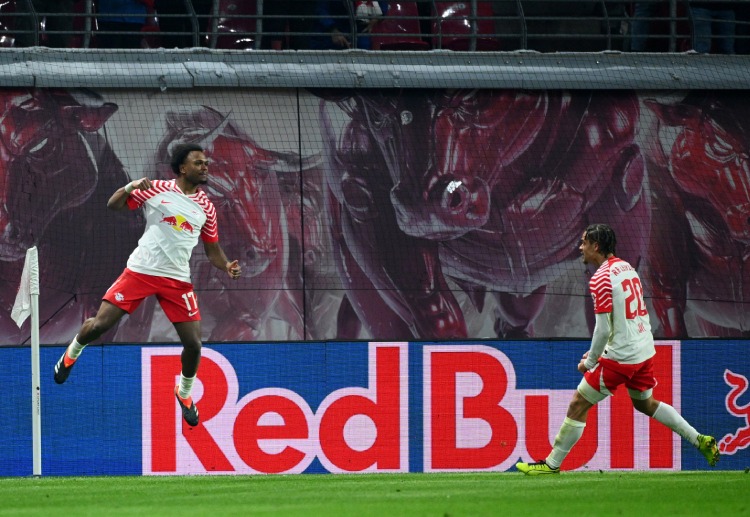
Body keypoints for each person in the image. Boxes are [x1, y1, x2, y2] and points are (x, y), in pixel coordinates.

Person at [53, 143, 242, 427]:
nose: (205, 167)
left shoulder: (207, 208)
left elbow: (213, 250)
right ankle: (71, 354)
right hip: (141, 271)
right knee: (100, 326)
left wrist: (226, 265)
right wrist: (130, 187)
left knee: (193, 344)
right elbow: (113, 205)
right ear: (183, 168)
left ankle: (185, 392)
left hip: (177, 280)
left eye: (206, 163)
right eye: (199, 163)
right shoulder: (156, 189)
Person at [516, 223, 719, 475]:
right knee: (646, 404)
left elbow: (602, 329)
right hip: (643, 350)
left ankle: (551, 464)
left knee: (578, 403)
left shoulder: (600, 278)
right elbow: (626, 318)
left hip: (623, 357)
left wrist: (590, 362)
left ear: (596, 246)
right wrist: (600, 354)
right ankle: (700, 439)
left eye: (584, 243)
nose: (580, 248)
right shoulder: (627, 268)